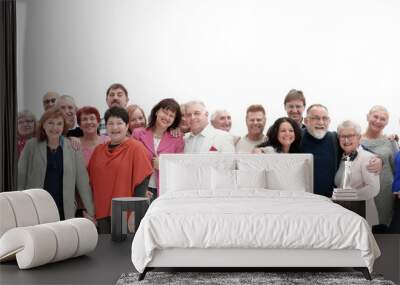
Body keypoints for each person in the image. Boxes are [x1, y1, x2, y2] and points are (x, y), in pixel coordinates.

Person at [18, 107, 94, 220]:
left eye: (59, 124)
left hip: (64, 209)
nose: (55, 127)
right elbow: (21, 177)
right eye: (50, 123)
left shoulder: (73, 147)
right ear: (43, 125)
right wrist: (19, 206)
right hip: (36, 208)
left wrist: (92, 212)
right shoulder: (31, 146)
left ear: (64, 127)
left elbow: (82, 182)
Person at [88, 106, 153, 233]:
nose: (115, 127)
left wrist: (135, 212)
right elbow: (89, 182)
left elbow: (142, 181)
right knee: (105, 249)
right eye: (110, 123)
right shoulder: (98, 151)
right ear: (105, 126)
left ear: (127, 125)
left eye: (119, 123)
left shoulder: (136, 148)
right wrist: (89, 210)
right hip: (101, 211)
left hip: (125, 211)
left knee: (123, 250)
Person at [300, 104, 382, 198]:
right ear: (306, 121)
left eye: (325, 118)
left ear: (329, 121)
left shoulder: (334, 138)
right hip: (305, 200)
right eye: (316, 118)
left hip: (331, 203)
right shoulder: (298, 137)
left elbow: (357, 147)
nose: (321, 122)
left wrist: (380, 160)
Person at [132, 98, 184, 200]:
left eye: (171, 116)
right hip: (140, 189)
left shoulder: (177, 140)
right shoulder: (137, 134)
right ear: (156, 112)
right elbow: (130, 163)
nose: (167, 117)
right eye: (165, 112)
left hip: (164, 192)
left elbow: (179, 169)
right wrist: (140, 190)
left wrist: (163, 166)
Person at [334, 120, 380, 227]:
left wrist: (343, 197)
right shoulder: (341, 157)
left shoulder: (368, 158)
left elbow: (373, 189)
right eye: (342, 136)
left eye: (350, 136)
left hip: (363, 215)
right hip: (345, 215)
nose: (346, 140)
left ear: (359, 138)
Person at [361, 105, 399, 233]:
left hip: (386, 196)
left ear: (387, 123)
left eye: (382, 119)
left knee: (384, 234)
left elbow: (396, 169)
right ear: (368, 117)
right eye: (375, 116)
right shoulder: (356, 140)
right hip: (364, 195)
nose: (378, 121)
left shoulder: (390, 141)